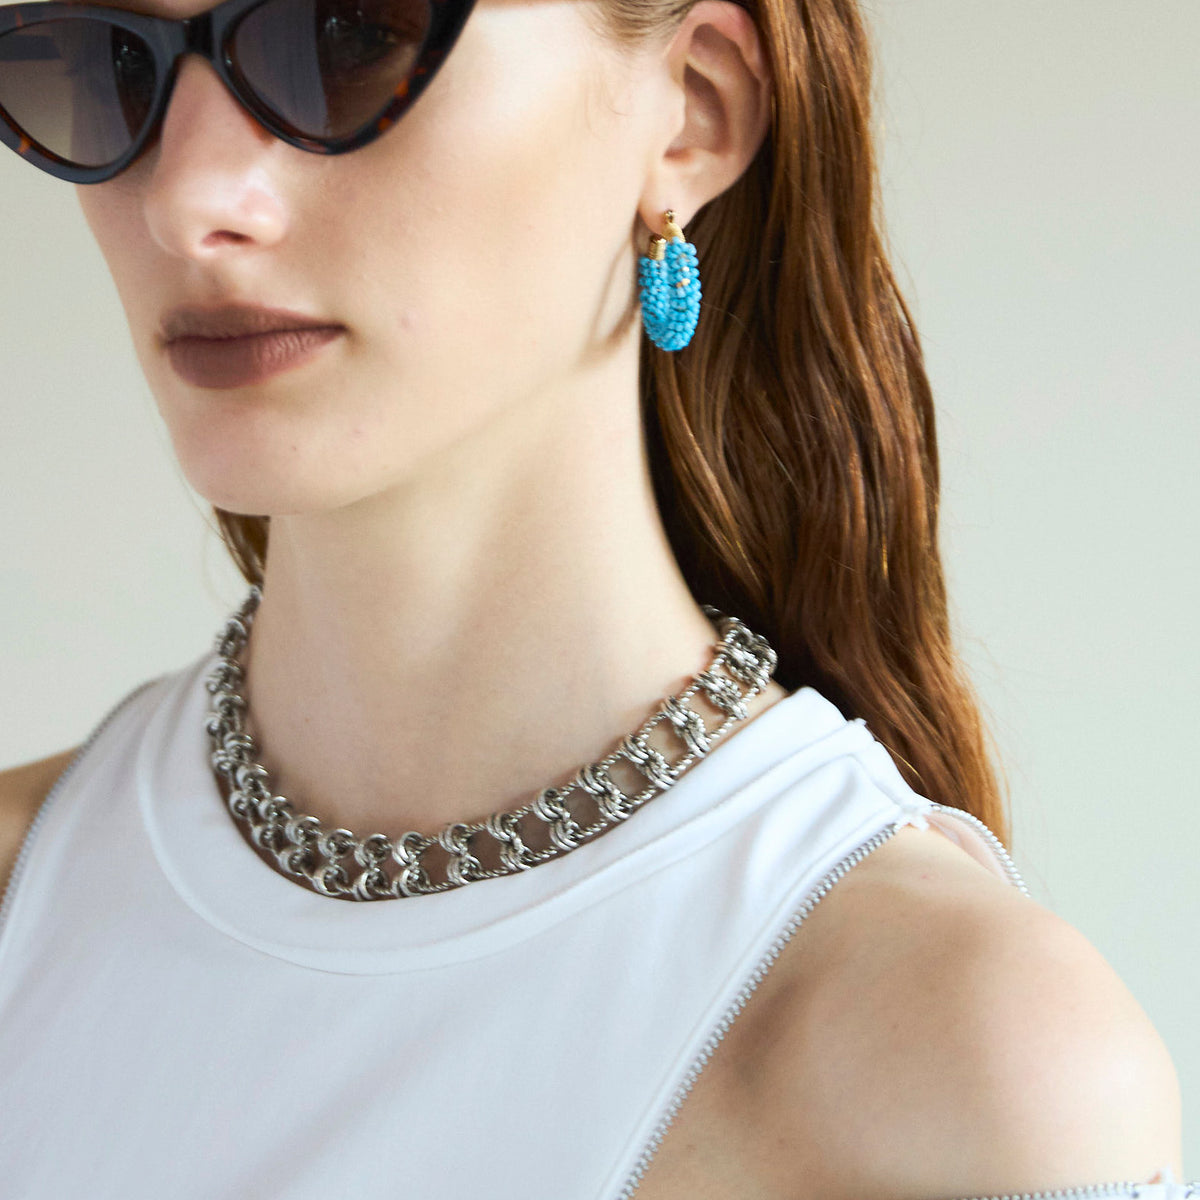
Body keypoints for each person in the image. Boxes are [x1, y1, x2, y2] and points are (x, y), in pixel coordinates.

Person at [0, 0, 1191, 1194]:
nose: (186, 201)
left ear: (693, 109)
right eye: (113, 62)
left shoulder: (959, 1071)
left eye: (348, 36)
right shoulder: (23, 889)